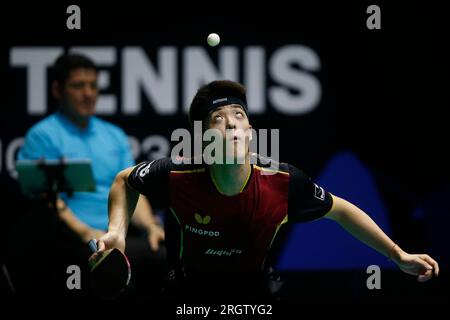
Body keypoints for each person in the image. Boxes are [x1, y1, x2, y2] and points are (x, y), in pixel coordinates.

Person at [94, 80, 439, 301]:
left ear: (251, 130)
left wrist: (398, 256)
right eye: (217, 118)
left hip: (254, 293)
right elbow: (125, 180)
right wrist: (117, 233)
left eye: (238, 114)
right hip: (187, 293)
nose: (230, 122)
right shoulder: (177, 174)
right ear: (203, 139)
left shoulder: (284, 181)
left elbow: (342, 211)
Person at [15, 53, 166, 298]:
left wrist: (151, 226)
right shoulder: (42, 135)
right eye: (78, 86)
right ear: (57, 90)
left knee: (165, 257)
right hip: (72, 240)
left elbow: (131, 190)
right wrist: (87, 233)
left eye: (93, 86)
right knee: (115, 276)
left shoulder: (114, 135)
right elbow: (47, 199)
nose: (88, 93)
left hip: (117, 236)